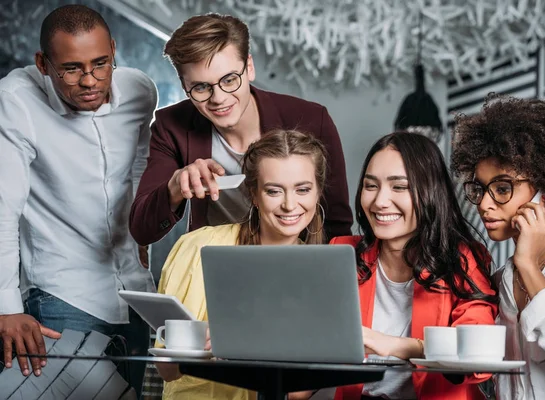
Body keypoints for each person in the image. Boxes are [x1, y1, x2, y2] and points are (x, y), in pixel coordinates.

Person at [0, 5, 156, 396]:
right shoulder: (16, 100)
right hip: (62, 297)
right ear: (42, 63)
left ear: (114, 52)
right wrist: (6, 307)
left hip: (136, 294)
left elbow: (139, 163)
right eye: (71, 68)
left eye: (101, 63)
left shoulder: (140, 91)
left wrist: (141, 238)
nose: (89, 80)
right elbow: (3, 205)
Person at [129, 13, 352, 247]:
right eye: (201, 87)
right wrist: (174, 188)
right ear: (185, 87)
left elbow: (337, 226)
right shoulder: (171, 125)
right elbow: (142, 231)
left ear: (250, 67)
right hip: (217, 266)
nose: (219, 98)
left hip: (298, 264)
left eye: (229, 80)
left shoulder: (312, 120)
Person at [154, 129, 327, 400]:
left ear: (317, 193)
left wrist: (242, 340)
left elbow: (297, 394)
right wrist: (199, 347)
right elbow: (167, 369)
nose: (289, 204)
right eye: (273, 191)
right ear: (254, 195)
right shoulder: (199, 248)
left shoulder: (322, 272)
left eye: (303, 189)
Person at [451, 95, 545, 399]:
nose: (485, 204)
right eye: (480, 188)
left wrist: (530, 267)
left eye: (503, 188)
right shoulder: (500, 279)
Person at [332, 132, 498, 400]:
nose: (380, 201)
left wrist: (396, 346)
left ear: (430, 192)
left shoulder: (462, 261)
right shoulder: (342, 253)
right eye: (370, 186)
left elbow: (477, 351)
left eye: (399, 187)